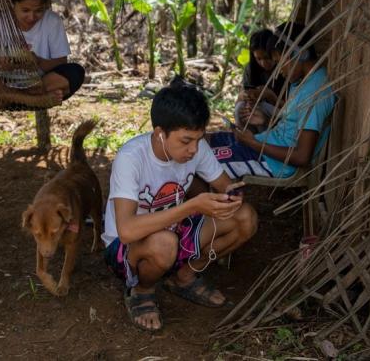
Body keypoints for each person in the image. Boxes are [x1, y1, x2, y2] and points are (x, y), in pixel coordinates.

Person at [103, 78, 258, 332]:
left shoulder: (197, 148)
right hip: (127, 248)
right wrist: (192, 206)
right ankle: (142, 290)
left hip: (174, 233)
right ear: (159, 134)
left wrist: (232, 194)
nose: (194, 149)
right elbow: (127, 230)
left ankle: (184, 276)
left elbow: (224, 184)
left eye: (198, 139)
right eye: (186, 141)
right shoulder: (131, 158)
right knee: (164, 243)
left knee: (245, 217)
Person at [211, 22, 336, 179]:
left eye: (278, 62)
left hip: (273, 162)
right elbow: (291, 124)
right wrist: (266, 120)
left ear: (298, 53)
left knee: (203, 161)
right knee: (208, 140)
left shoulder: (315, 92)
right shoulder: (302, 82)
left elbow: (302, 156)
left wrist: (253, 143)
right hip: (265, 145)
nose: (278, 70)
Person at [0, 0, 85, 108]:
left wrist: (37, 61)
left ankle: (7, 97)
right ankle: (29, 99)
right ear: (13, 4)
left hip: (38, 83)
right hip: (2, 82)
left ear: (45, 6)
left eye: (38, 11)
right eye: (25, 10)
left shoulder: (52, 21)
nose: (32, 17)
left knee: (75, 72)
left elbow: (61, 61)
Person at [234, 29, 285, 131]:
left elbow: (293, 109)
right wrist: (245, 96)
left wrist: (270, 96)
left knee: (259, 109)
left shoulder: (285, 68)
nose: (263, 63)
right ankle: (247, 139)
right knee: (241, 108)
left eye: (267, 58)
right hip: (257, 111)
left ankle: (263, 142)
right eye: (258, 59)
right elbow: (239, 99)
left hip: (283, 116)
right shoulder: (251, 69)